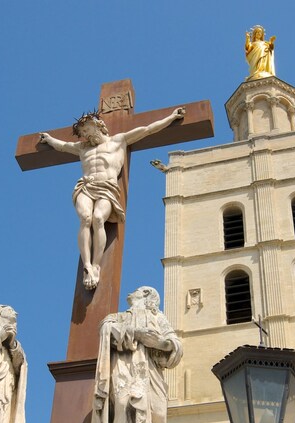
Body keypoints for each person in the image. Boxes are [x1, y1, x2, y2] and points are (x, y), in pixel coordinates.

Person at [39, 108, 185, 290]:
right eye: (82, 132)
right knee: (85, 218)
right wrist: (49, 139)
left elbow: (148, 129)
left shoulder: (118, 140)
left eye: (87, 129)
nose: (85, 134)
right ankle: (87, 266)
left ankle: (96, 264)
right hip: (85, 186)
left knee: (99, 218)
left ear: (98, 125)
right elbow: (62, 146)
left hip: (107, 187)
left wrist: (171, 117)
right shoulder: (82, 148)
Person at [87, 287, 182, 423]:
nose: (132, 293)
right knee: (124, 406)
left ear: (146, 296)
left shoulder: (159, 318)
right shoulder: (119, 317)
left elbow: (176, 345)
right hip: (124, 368)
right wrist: (136, 333)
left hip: (151, 372)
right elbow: (105, 328)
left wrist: (160, 343)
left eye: (138, 291)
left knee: (158, 414)